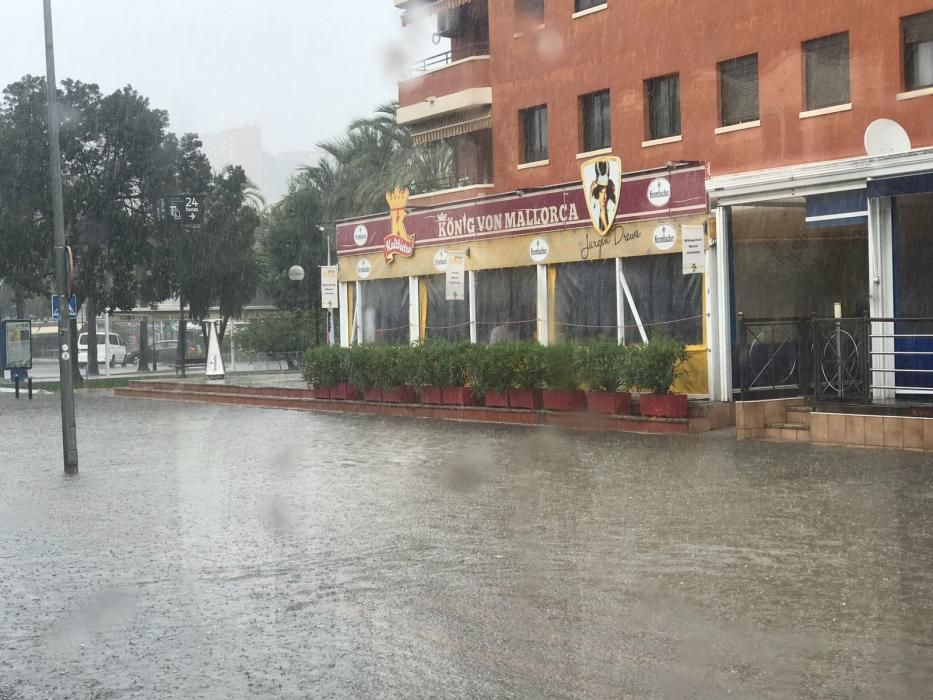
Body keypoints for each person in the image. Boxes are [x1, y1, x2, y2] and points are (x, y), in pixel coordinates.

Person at [589, 160, 617, 236]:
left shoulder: (612, 207)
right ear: (597, 193)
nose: (604, 197)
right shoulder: (593, 206)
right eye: (601, 192)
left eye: (605, 193)